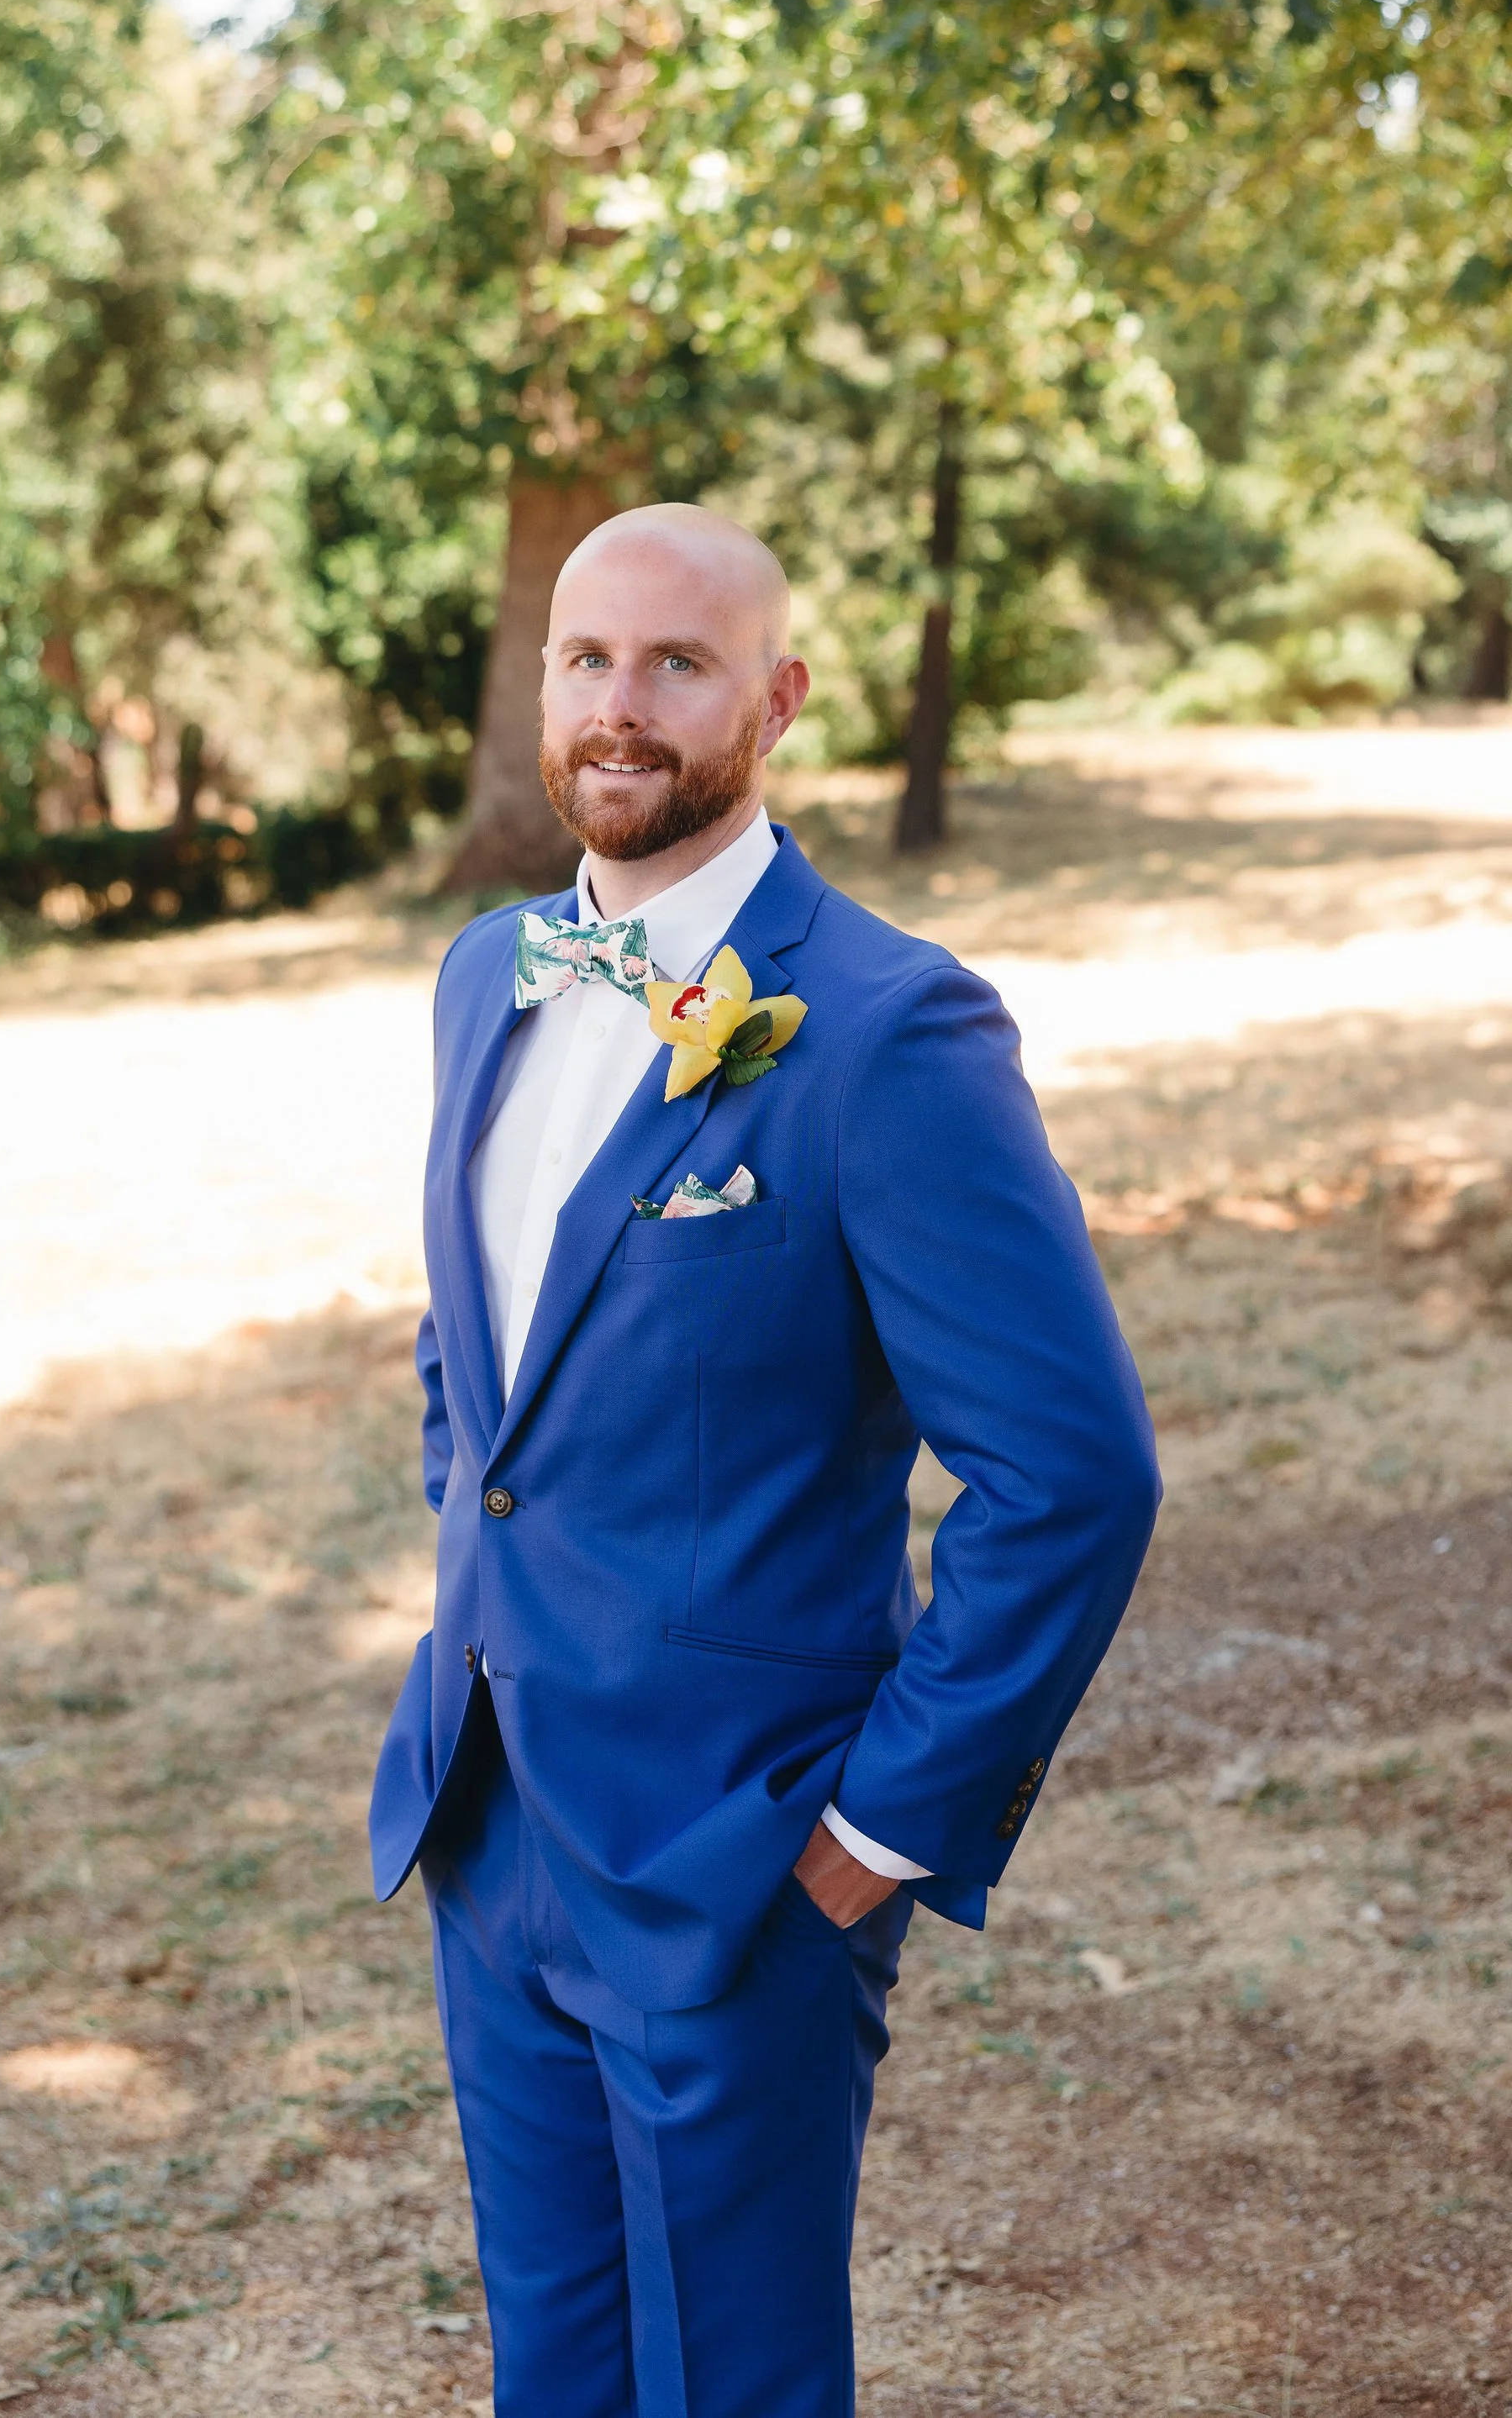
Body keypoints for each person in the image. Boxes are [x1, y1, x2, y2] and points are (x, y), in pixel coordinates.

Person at [371, 503, 1160, 2417]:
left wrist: (876, 1832)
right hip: (492, 1822)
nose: (618, 705)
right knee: (553, 2374)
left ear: (779, 697)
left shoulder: (891, 1029)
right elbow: (471, 1348)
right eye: (584, 657)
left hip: (741, 1859)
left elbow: (1071, 1476)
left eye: (678, 662)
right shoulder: (490, 971)